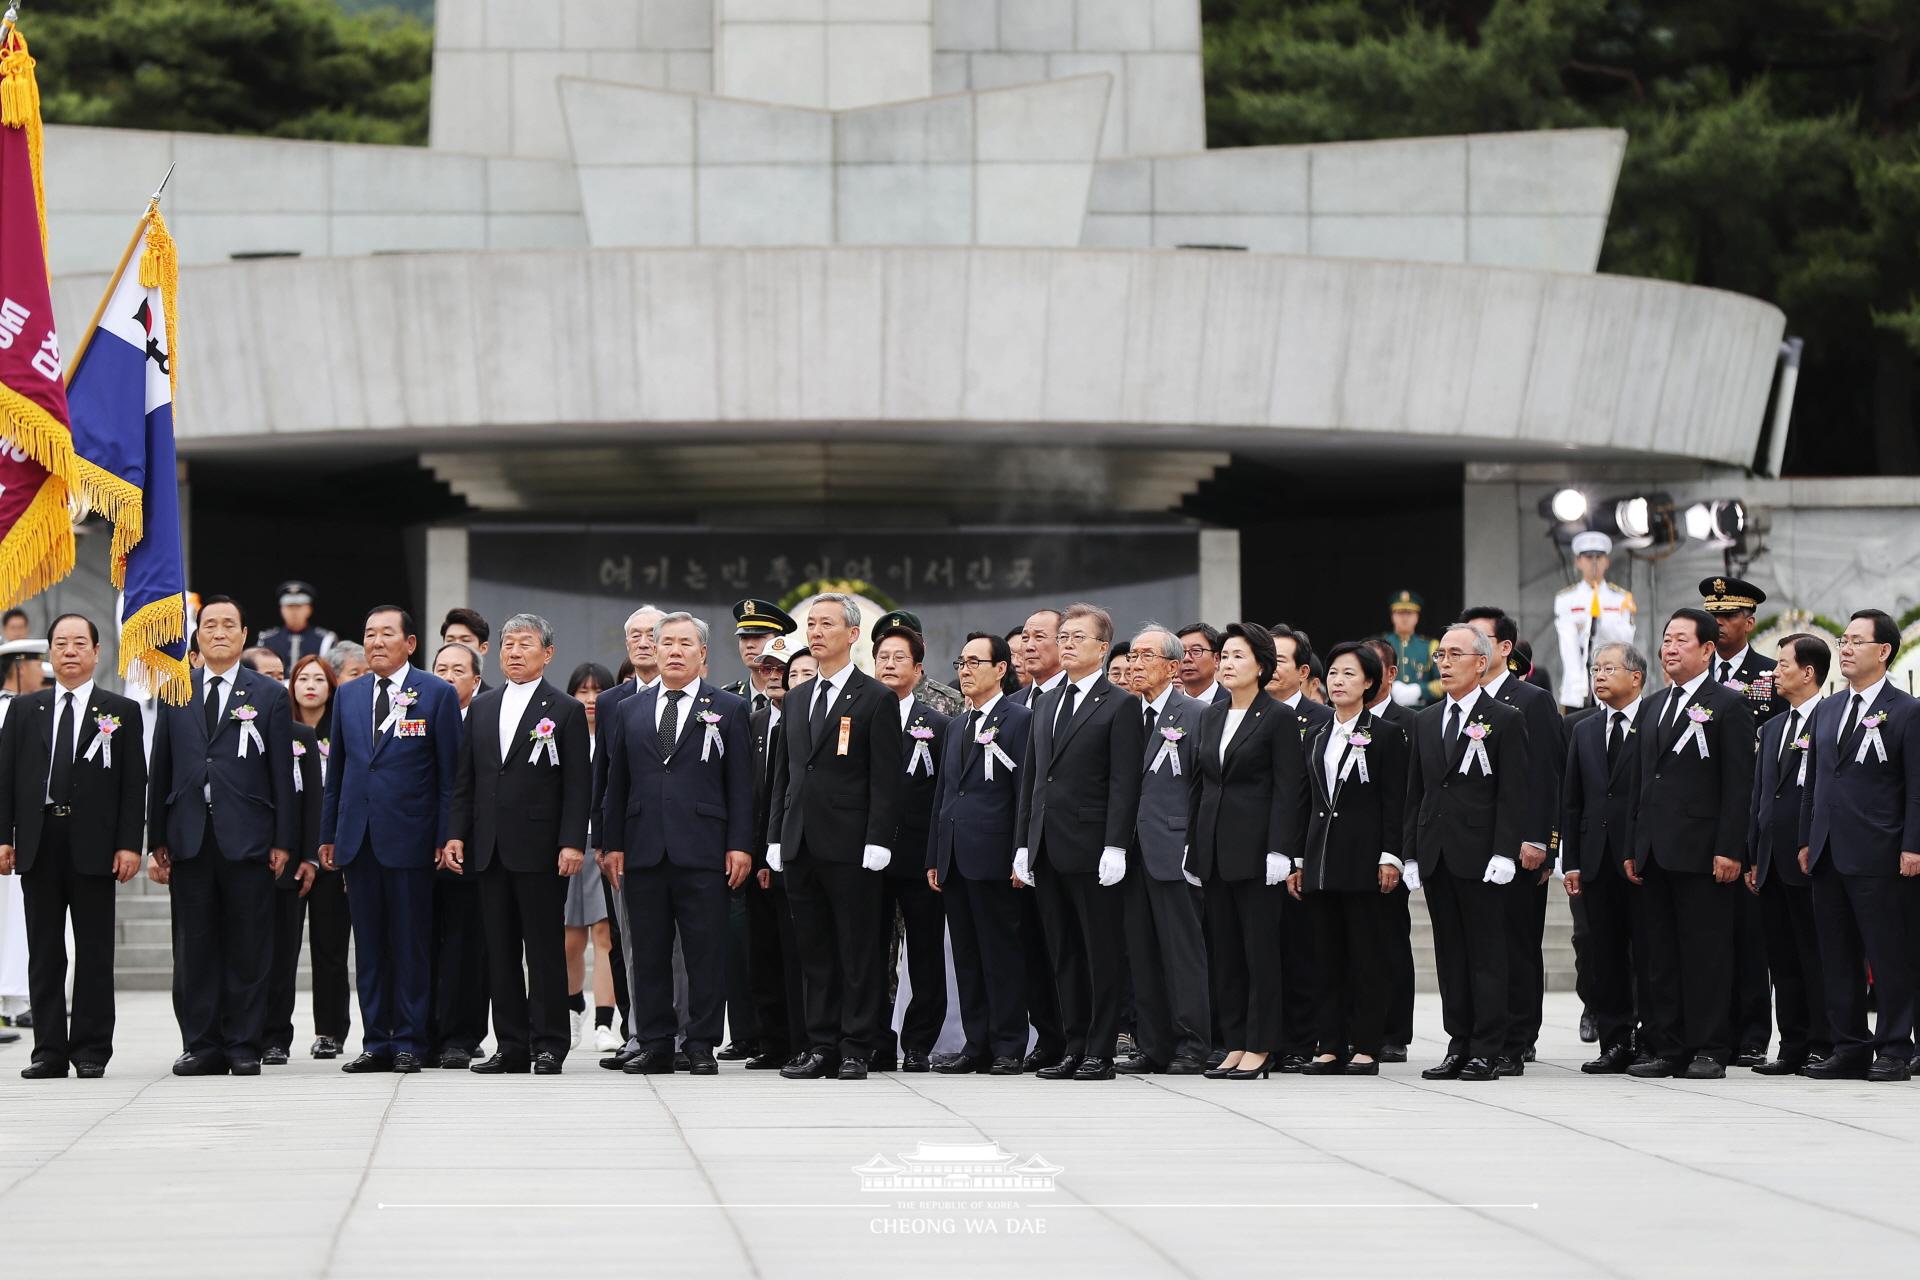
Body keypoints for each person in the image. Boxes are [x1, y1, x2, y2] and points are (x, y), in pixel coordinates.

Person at [149, 598, 297, 1076]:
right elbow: (162, 768)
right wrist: (156, 840)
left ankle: (243, 1045)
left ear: (244, 633)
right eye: (208, 625)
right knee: (195, 946)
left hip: (248, 836)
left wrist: (284, 840)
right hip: (189, 836)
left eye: (227, 625)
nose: (217, 632)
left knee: (248, 945)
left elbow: (280, 772)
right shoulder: (175, 691)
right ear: (196, 636)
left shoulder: (268, 694)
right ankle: (201, 1044)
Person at [601, 613, 752, 1076]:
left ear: (702, 653)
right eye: (666, 642)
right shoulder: (629, 709)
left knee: (705, 950)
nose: (673, 650)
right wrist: (612, 845)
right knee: (648, 952)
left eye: (684, 643)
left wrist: (740, 844)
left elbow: (742, 784)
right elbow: (616, 782)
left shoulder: (727, 707)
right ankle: (655, 1042)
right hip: (644, 848)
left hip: (704, 848)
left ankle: (702, 1042)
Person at [0, 615, 146, 1079]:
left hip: (95, 845)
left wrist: (129, 845)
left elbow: (132, 785)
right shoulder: (25, 710)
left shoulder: (119, 710)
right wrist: (5, 837)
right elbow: (4, 781)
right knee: (44, 951)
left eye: (79, 643)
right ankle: (47, 1050)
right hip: (40, 841)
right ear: (48, 653)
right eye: (60, 643)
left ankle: (90, 1050)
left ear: (97, 652)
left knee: (95, 951)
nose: (69, 651)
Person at [320, 606, 463, 1074]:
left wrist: (447, 835)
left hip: (412, 840)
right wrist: (330, 835)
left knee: (411, 944)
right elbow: (337, 773)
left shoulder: (436, 694)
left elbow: (449, 777)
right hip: (358, 840)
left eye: (386, 634)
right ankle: (376, 1040)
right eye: (369, 634)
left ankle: (409, 1040)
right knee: (370, 947)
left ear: (410, 643)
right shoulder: (349, 695)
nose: (376, 642)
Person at [766, 595, 904, 1080]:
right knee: (815, 950)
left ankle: (856, 1045)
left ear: (852, 634)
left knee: (858, 950)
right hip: (801, 841)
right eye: (812, 624)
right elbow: (785, 772)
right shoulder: (798, 696)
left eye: (827, 624)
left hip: (852, 845)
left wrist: (879, 837)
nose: (816, 631)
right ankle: (820, 1042)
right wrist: (775, 835)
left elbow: (887, 777)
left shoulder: (875, 698)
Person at [445, 614, 591, 1075]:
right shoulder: (484, 706)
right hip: (488, 846)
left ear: (547, 653)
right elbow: (465, 779)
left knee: (544, 949)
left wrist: (571, 842)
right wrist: (455, 833)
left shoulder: (563, 709)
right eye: (508, 643)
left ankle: (549, 1043)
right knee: (499, 949)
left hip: (541, 847)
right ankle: (510, 1044)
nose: (513, 651)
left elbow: (577, 786)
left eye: (524, 643)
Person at [1015, 603, 1145, 1082]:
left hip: (1093, 846)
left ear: (1102, 648)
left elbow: (1124, 781)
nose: (1066, 644)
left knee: (1100, 951)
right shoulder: (1044, 700)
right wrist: (1023, 844)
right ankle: (1072, 1044)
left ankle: (1100, 1048)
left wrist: (1117, 845)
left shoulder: (1120, 704)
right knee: (1064, 952)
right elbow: (1033, 779)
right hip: (1048, 844)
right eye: (1063, 636)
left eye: (1077, 638)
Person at [1625, 608, 1755, 1080]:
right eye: (1666, 639)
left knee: (1706, 953)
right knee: (1659, 955)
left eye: (1682, 640)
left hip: (1704, 852)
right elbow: (1643, 782)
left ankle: (1709, 1047)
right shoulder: (1655, 705)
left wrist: (1731, 848)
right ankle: (1667, 1046)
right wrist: (1633, 846)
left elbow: (1739, 785)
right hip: (1656, 850)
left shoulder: (1729, 704)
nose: (1670, 648)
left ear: (1706, 649)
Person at [1798, 609, 1920, 1082]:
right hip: (1828, 851)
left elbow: (1915, 786)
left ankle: (1893, 1048)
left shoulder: (1906, 711)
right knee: (1837, 955)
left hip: (1882, 852)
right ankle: (1849, 1046)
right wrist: (1809, 838)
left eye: (1855, 642)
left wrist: (1913, 845)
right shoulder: (1828, 709)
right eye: (1842, 640)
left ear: (1884, 651)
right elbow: (1815, 784)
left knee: (1888, 955)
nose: (1844, 649)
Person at [1404, 623, 1528, 1082]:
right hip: (1437, 853)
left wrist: (1505, 852)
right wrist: (1411, 853)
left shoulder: (1506, 718)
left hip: (1483, 855)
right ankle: (1457, 1043)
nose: (1446, 663)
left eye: (1456, 654)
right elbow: (1415, 792)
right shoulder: (1425, 719)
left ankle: (1487, 1048)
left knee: (1486, 955)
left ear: (1482, 661)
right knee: (1450, 955)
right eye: (1441, 656)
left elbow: (1515, 792)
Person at [1186, 623, 1303, 1081]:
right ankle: (1234, 1042)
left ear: (1261, 666)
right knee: (1226, 954)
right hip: (1214, 850)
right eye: (1225, 656)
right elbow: (1200, 784)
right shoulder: (1211, 716)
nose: (1227, 663)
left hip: (1257, 854)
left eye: (1238, 656)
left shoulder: (1275, 718)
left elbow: (1287, 789)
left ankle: (1261, 1046)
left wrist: (1281, 850)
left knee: (1260, 953)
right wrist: (1193, 845)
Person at [1293, 641, 1408, 1075]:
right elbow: (1305, 801)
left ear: (1369, 683)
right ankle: (1329, 1043)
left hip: (1366, 860)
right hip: (1321, 858)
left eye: (1349, 675)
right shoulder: (1318, 734)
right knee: (1325, 955)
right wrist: (1298, 860)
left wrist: (1391, 856)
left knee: (1367, 956)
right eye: (1334, 674)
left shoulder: (1386, 734)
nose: (1339, 682)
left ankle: (1366, 1045)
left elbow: (1396, 799)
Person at [1461, 606, 1564, 1072]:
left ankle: (1519, 1036)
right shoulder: (1458, 703)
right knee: (1479, 946)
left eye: (1481, 640)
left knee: (1517, 942)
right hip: (1471, 844)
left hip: (1519, 845)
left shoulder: (1532, 700)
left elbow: (1545, 776)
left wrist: (1541, 841)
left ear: (1503, 648)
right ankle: (1482, 1032)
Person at [928, 632, 1033, 1075]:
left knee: (1001, 954)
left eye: (975, 662)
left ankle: (1009, 1044)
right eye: (961, 662)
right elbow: (944, 795)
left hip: (995, 855)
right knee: (967, 956)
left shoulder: (1018, 720)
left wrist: (1020, 853)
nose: (965, 670)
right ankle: (976, 1043)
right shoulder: (956, 725)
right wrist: (935, 853)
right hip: (956, 857)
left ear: (1000, 669)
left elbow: (1023, 792)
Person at [1117, 626, 1210, 1076]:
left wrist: (1196, 844)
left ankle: (1192, 1043)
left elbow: (1202, 787)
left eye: (1145, 656)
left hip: (1175, 848)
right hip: (1129, 852)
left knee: (1182, 952)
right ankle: (1152, 1044)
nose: (1134, 664)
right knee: (1141, 951)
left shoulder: (1194, 714)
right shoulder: (1123, 713)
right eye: (1132, 656)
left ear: (1173, 668)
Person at [1701, 574, 1782, 1065]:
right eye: (1713, 615)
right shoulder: (1694, 674)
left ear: (1749, 622)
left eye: (1728, 616)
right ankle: (1715, 1028)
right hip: (1700, 817)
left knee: (1750, 936)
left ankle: (1752, 1033)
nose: (1720, 624)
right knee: (1710, 936)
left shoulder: (1770, 675)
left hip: (1749, 813)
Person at [1559, 641, 1647, 1073]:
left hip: (1641, 859)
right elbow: (1572, 801)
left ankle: (1652, 1037)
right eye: (1595, 668)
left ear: (1636, 677)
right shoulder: (1584, 729)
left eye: (1609, 668)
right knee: (1603, 953)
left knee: (1649, 951)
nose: (1598, 675)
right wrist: (1570, 861)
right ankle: (1614, 1041)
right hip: (1594, 858)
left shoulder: (1654, 722)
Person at [1747, 633, 1831, 1075]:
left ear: (1808, 672)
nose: (1774, 673)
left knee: (1814, 954)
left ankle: (1823, 1040)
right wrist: (1754, 853)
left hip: (1808, 857)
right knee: (1781, 959)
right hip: (1772, 859)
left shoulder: (1829, 720)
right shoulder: (1774, 726)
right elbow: (1761, 796)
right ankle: (1793, 1043)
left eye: (1782, 665)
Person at [871, 619, 950, 1072]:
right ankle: (877, 1038)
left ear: (918, 670)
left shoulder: (937, 724)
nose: (890, 664)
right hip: (871, 858)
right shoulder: (859, 717)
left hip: (920, 858)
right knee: (872, 953)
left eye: (900, 657)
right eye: (883, 657)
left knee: (923, 954)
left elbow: (943, 794)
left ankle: (919, 1042)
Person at [718, 599, 795, 1059]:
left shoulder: (796, 697)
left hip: (782, 840)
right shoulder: (726, 700)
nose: (753, 648)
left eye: (762, 640)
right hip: (739, 839)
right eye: (746, 640)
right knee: (737, 939)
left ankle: (778, 1033)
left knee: (774, 939)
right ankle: (746, 1031)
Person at [742, 648, 814, 1071]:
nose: (775, 676)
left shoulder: (806, 722)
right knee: (762, 951)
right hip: (757, 854)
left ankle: (802, 1038)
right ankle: (772, 1038)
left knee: (797, 953)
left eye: (785, 670)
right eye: (768, 669)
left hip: (794, 851)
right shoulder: (754, 723)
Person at [1265, 624, 1328, 1071]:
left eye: (1280, 660)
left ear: (1303, 671)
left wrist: (1301, 857)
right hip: (1250, 850)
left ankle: (1301, 1039)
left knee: (1301, 951)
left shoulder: (1320, 720)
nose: (1270, 667)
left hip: (1303, 853)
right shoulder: (1241, 713)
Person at [424, 639, 490, 1069]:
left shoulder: (485, 719)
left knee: (469, 946)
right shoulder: (415, 715)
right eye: (441, 670)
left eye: (458, 670)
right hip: (423, 850)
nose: (448, 678)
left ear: (476, 679)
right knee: (424, 944)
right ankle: (424, 1030)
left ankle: (462, 1035)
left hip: (475, 849)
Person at [1009, 607, 1068, 1067]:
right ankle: (1048, 1038)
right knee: (1029, 948)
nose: (1027, 645)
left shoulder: (1073, 698)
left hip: (1066, 844)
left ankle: (1072, 1037)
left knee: (1064, 948)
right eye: (1024, 637)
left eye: (1038, 637)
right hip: (1024, 846)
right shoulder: (1020, 701)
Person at [287, 654, 350, 1058]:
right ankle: (274, 1033)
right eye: (302, 678)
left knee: (330, 949)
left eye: (319, 679)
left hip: (333, 853)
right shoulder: (277, 728)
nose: (310, 685)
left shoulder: (342, 730)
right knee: (281, 949)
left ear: (331, 686)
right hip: (288, 853)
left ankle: (330, 1031)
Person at [263, 660, 324, 1068]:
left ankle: (275, 1037)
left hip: (288, 862)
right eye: (262, 675)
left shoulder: (300, 736)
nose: (272, 682)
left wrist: (307, 856)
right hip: (242, 856)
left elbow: (312, 805)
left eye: (276, 675)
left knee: (283, 954)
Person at [563, 661, 626, 1054]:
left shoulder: (616, 732)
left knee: (605, 935)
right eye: (582, 691)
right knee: (570, 938)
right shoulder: (559, 734)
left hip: (604, 845)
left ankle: (605, 1022)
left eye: (597, 691)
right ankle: (572, 1011)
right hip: (569, 846)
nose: (590, 699)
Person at [1363, 635, 1417, 1060]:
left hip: (1389, 849)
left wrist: (1400, 853)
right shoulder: (1338, 719)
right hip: (1346, 851)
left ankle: (1394, 1031)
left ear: (1390, 675)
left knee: (1391, 941)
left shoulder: (1409, 723)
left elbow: (1411, 794)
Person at [1551, 533, 1637, 711]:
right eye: (1588, 557)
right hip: (1578, 686)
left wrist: (1600, 624)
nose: (1594, 562)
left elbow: (1626, 640)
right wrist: (1578, 685)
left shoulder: (1620, 598)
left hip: (1612, 682)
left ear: (1607, 561)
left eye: (1599, 557)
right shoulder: (1566, 599)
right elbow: (1568, 645)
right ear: (1578, 561)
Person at [723, 597, 796, 716]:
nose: (750, 645)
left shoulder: (795, 696)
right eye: (744, 638)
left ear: (779, 642)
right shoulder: (727, 697)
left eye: (758, 637)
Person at [259, 579, 338, 667]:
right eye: (289, 607)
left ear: (309, 609)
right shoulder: (267, 640)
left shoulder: (325, 639)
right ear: (281, 609)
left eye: (299, 606)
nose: (294, 611)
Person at [1384, 591, 1442, 709]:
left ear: (1417, 616)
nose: (1404, 618)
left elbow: (1445, 681)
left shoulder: (1431, 646)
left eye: (1409, 613)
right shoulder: (1380, 645)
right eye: (1400, 613)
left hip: (1421, 714)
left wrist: (1420, 691)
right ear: (1392, 616)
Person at [1176, 623, 1228, 706]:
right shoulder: (1167, 707)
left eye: (1196, 651)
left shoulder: (1234, 705)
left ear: (1217, 659)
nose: (1186, 658)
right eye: (1181, 652)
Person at [440, 608, 492, 686]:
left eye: (465, 640)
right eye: (450, 640)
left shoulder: (496, 698)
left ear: (483, 648)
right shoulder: (428, 695)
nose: (456, 646)